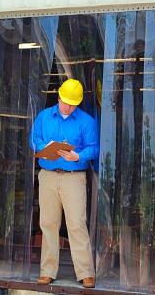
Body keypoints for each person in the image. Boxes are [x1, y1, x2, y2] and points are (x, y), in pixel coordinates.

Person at [30, 78, 99, 288]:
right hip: (48, 175)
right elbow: (34, 139)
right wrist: (45, 149)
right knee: (48, 224)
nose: (68, 107)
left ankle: (86, 272)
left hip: (74, 178)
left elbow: (94, 148)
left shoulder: (86, 121)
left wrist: (77, 157)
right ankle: (47, 271)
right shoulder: (44, 117)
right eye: (65, 102)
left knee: (76, 224)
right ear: (59, 96)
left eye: (72, 104)